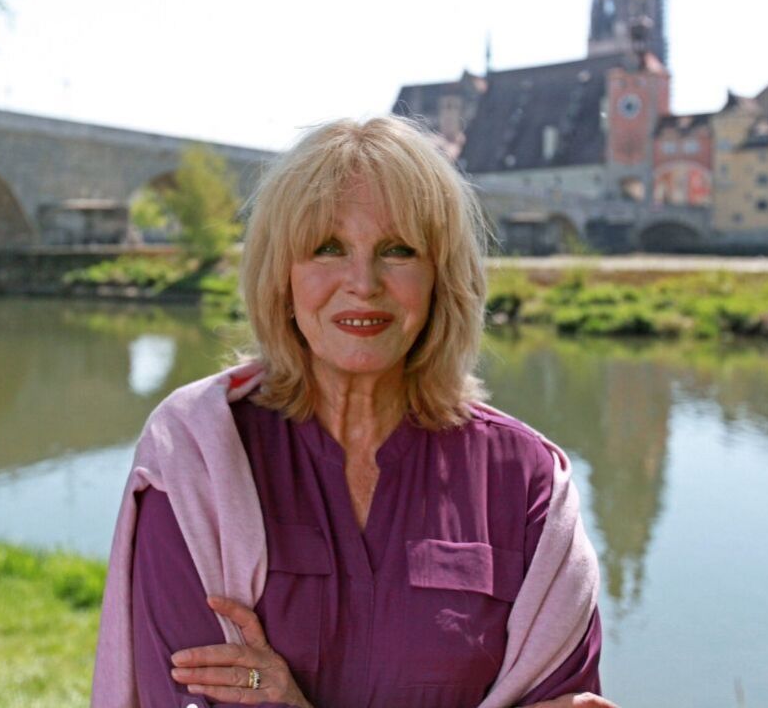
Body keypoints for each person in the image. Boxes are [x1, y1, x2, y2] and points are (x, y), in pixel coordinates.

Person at [93, 116, 611, 708]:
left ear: (441, 278)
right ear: (281, 277)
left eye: (398, 250)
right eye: (327, 248)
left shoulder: (528, 483)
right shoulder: (197, 456)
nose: (363, 283)